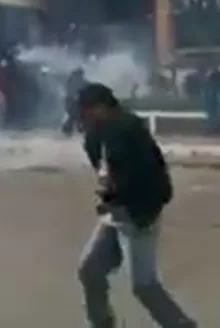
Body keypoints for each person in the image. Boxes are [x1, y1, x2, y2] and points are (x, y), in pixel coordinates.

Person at [76, 83, 196, 328]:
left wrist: (142, 211)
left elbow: (154, 177)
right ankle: (101, 323)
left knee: (144, 285)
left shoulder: (130, 131)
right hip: (115, 213)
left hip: (139, 215)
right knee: (90, 270)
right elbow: (104, 170)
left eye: (87, 111)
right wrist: (108, 198)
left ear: (102, 107)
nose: (83, 117)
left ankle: (180, 325)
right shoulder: (97, 133)